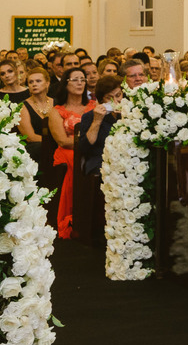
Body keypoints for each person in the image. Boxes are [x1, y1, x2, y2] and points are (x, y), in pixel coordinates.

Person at [48, 67, 96, 238]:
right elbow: (62, 140)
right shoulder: (57, 111)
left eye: (83, 79)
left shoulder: (93, 107)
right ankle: (71, 217)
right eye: (75, 79)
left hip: (90, 150)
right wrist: (85, 143)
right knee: (75, 161)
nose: (80, 83)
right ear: (66, 83)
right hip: (67, 151)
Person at [78, 76, 125, 176]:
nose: (115, 101)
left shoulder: (129, 113)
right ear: (101, 99)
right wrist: (97, 120)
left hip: (125, 159)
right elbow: (85, 147)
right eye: (109, 98)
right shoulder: (90, 116)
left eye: (118, 95)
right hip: (100, 160)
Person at [18, 67, 54, 165]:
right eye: (31, 82)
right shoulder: (23, 106)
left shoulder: (56, 102)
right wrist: (54, 142)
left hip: (56, 144)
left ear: (47, 83)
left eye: (38, 81)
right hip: (34, 148)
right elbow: (30, 137)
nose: (34, 84)